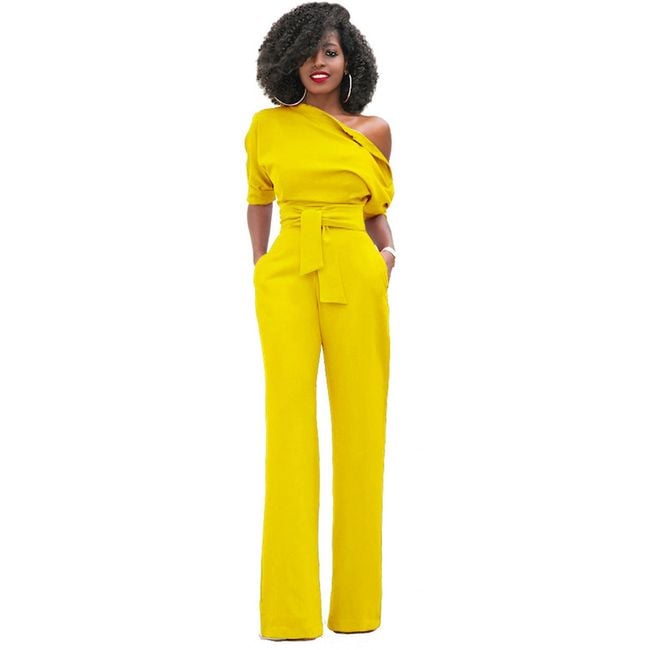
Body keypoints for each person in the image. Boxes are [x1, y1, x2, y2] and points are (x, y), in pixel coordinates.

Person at [245, 2, 397, 641]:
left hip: (356, 270)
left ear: (348, 58)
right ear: (287, 60)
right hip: (288, 271)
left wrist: (388, 255)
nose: (318, 64)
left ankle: (356, 612)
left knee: (362, 430)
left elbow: (376, 207)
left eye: (329, 52)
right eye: (307, 53)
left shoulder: (375, 129)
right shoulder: (267, 127)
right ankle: (290, 614)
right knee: (288, 430)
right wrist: (260, 266)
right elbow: (258, 200)